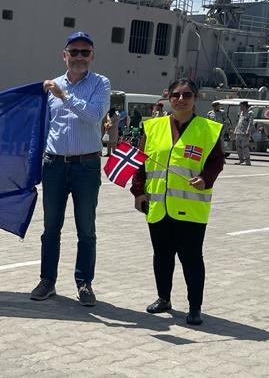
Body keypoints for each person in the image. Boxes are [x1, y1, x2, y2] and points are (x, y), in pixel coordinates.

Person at [131, 78, 223, 326]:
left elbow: (216, 162)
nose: (181, 99)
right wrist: (138, 192)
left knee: (191, 258)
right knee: (162, 255)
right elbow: (140, 161)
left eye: (187, 95)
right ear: (168, 97)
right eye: (176, 95)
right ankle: (163, 298)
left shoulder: (209, 129)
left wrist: (206, 178)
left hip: (191, 207)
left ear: (196, 98)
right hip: (158, 204)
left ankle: (195, 307)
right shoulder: (152, 127)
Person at [31, 31, 110, 306]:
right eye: (73, 52)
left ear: (92, 56)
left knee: (86, 229)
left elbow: (93, 117)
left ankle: (84, 283)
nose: (79, 57)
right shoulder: (50, 87)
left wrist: (63, 95)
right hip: (54, 165)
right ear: (64, 55)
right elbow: (43, 126)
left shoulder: (100, 84)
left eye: (84, 52)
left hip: (86, 166)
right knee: (50, 227)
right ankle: (47, 280)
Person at [232, 101, 253, 165]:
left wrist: (248, 131)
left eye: (241, 106)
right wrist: (235, 130)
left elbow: (250, 123)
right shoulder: (241, 113)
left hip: (244, 133)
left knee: (245, 147)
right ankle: (241, 159)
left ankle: (247, 161)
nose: (240, 107)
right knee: (238, 147)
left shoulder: (250, 113)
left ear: (244, 106)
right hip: (239, 132)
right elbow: (239, 122)